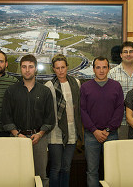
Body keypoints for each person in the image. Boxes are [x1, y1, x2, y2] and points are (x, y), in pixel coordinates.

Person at [1, 54, 55, 187]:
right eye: (24, 67)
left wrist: (40, 134)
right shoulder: (11, 91)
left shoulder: (45, 91)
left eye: (30, 67)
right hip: (16, 139)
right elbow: (6, 117)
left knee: (41, 176)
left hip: (39, 139)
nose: (27, 70)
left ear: (35, 69)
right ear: (20, 69)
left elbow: (50, 118)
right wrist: (17, 134)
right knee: (16, 175)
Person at [81, 56, 124, 187]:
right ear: (93, 69)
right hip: (91, 136)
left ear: (109, 69)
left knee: (112, 171)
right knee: (92, 171)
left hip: (111, 135)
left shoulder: (116, 86)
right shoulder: (85, 87)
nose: (101, 70)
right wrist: (95, 131)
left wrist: (107, 130)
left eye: (104, 67)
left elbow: (119, 110)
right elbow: (83, 111)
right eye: (98, 67)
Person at [45, 54, 83, 187]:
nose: (60, 70)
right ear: (53, 69)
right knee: (56, 167)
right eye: (57, 68)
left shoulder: (76, 83)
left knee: (66, 167)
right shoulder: (49, 85)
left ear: (67, 67)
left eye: (63, 67)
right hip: (55, 131)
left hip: (72, 131)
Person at [108, 41, 133, 140]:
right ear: (121, 55)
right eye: (125, 52)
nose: (128, 54)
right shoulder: (112, 74)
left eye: (131, 51)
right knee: (121, 153)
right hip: (120, 122)